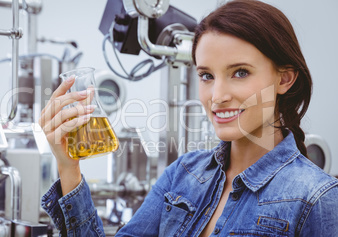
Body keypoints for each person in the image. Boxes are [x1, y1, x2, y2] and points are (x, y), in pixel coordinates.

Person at [39, 0, 338, 236]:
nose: (217, 95)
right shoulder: (182, 174)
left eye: (240, 72)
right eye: (206, 76)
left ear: (284, 79)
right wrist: (69, 167)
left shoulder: (317, 198)